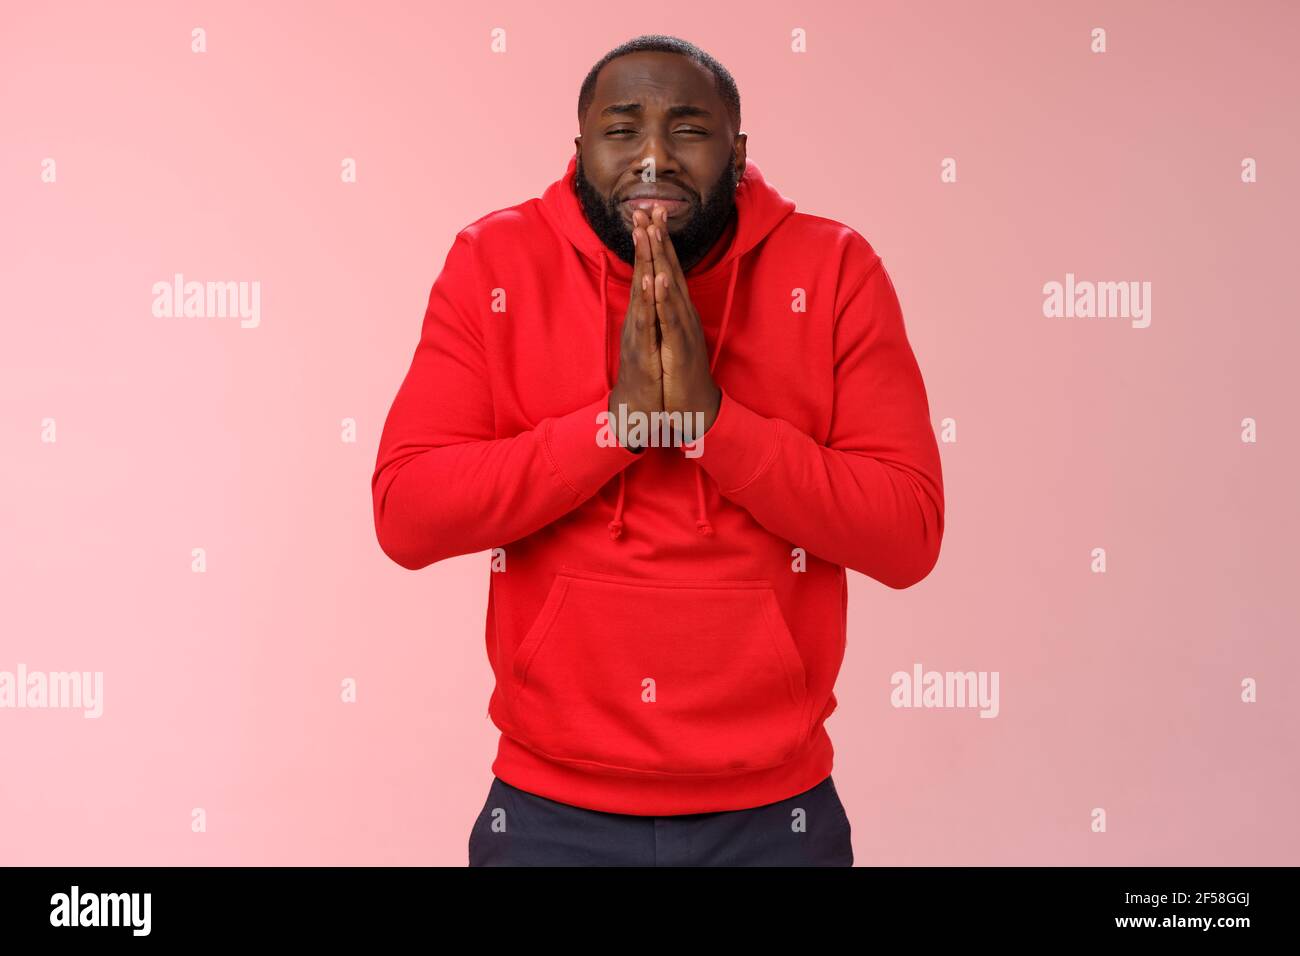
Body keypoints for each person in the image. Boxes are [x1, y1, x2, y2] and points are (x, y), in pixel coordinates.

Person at [371, 34, 945, 866]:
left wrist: (713, 424)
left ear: (739, 152)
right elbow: (407, 514)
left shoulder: (834, 269)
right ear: (577, 151)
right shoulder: (492, 260)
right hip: (546, 815)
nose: (652, 157)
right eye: (621, 129)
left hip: (776, 815)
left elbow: (907, 534)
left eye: (687, 129)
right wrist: (617, 427)